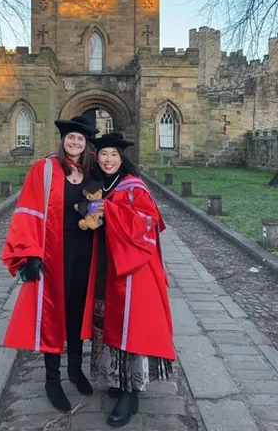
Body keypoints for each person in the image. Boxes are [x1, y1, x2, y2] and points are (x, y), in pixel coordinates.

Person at [1, 115, 99, 412]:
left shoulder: (91, 169)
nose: (75, 142)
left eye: (80, 139)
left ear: (85, 144)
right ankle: (52, 379)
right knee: (52, 313)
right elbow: (28, 210)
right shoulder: (43, 169)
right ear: (63, 139)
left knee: (78, 310)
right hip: (54, 251)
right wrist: (30, 253)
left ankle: (74, 369)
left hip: (86, 250)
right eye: (71, 137)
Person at [81, 131, 175, 428]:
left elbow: (149, 224)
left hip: (133, 269)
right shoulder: (98, 185)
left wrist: (109, 211)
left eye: (114, 155)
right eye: (104, 155)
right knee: (106, 318)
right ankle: (115, 378)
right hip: (105, 266)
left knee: (128, 324)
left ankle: (130, 392)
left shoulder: (134, 187)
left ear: (122, 159)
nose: (108, 160)